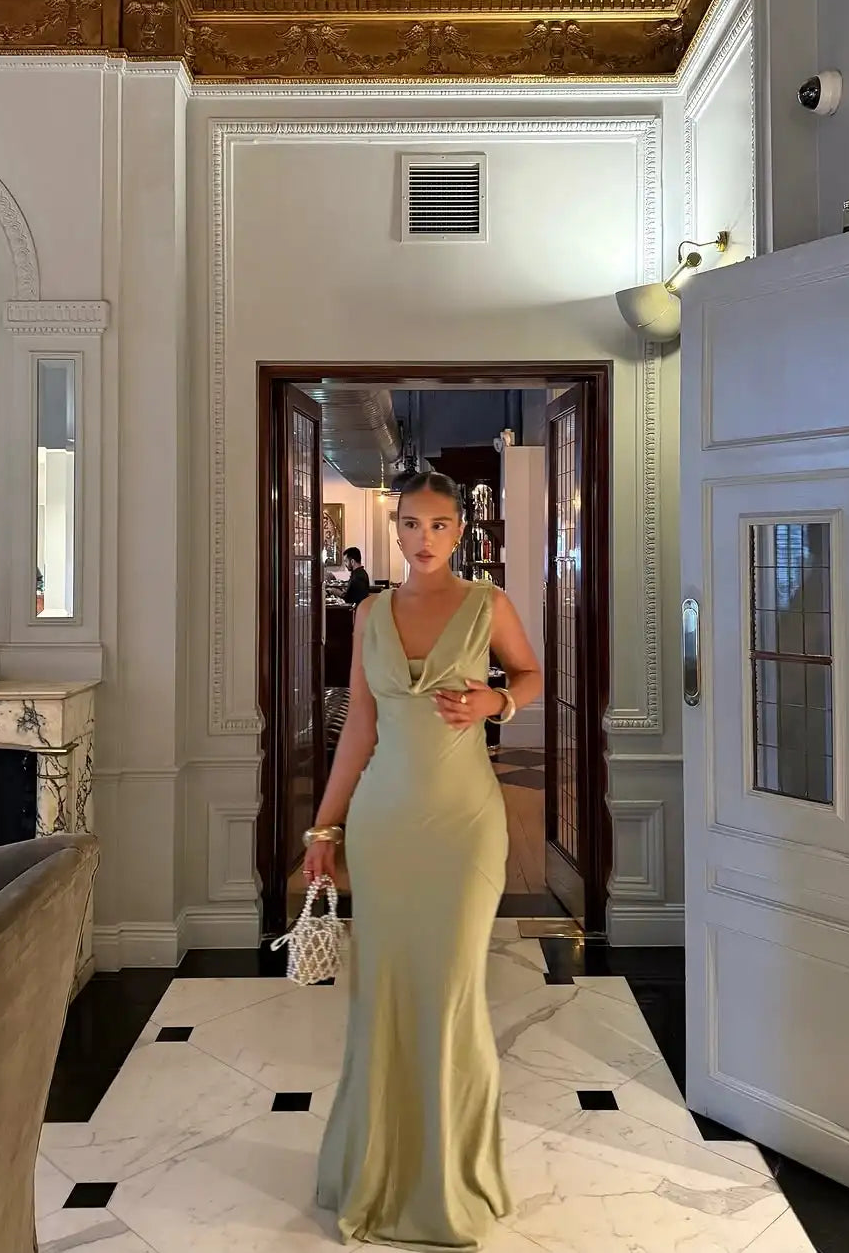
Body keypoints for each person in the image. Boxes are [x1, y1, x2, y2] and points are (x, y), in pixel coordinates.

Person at [305, 471, 543, 1251]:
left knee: (453, 992)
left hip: (465, 827)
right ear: (397, 529)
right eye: (412, 524)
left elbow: (532, 675)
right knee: (382, 996)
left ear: (460, 531)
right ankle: (374, 1174)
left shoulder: (487, 605)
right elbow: (357, 731)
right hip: (385, 826)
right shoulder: (370, 613)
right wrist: (324, 828)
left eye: (441, 525)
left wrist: (496, 702)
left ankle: (451, 1181)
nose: (426, 538)